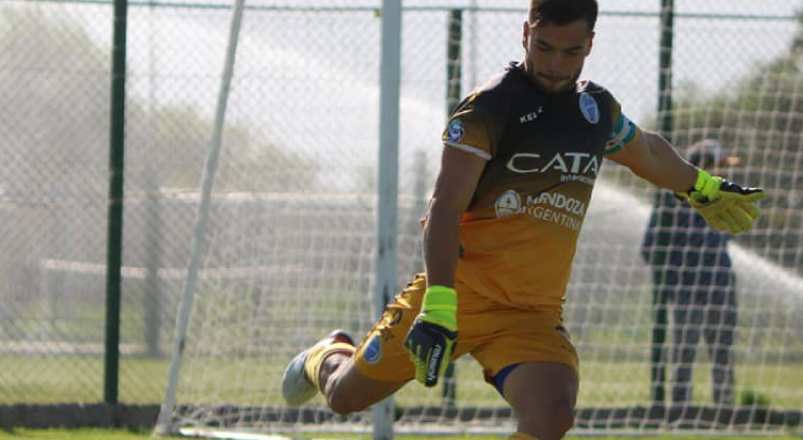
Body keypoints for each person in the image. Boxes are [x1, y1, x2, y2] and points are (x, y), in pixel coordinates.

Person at [280, 1, 765, 439]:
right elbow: (443, 210)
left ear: (590, 46)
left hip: (532, 314)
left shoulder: (595, 111)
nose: (556, 64)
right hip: (457, 296)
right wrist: (441, 307)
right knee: (345, 397)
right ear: (525, 33)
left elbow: (649, 152)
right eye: (544, 46)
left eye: (571, 51)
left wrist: (702, 187)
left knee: (552, 415)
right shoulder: (488, 108)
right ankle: (327, 353)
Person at [641, 140, 742, 409]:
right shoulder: (671, 203)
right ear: (703, 168)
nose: (725, 174)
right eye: (720, 168)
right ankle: (680, 410)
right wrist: (676, 282)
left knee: (722, 354)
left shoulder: (724, 201)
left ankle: (725, 410)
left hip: (721, 289)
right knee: (684, 354)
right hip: (686, 294)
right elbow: (650, 249)